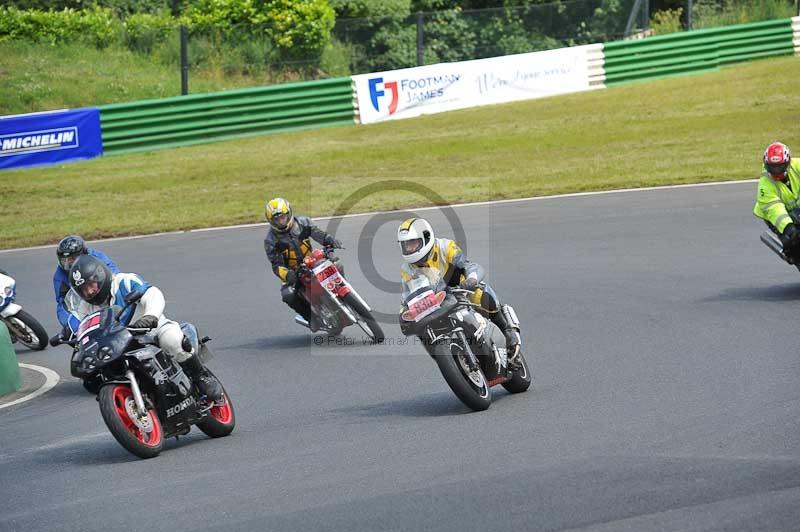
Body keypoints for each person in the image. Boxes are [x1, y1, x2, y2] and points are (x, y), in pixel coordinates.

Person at [66, 255, 222, 401]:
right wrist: (74, 338)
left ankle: (201, 377)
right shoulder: (85, 307)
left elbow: (152, 293)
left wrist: (150, 316)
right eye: (84, 289)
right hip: (120, 344)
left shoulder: (124, 281)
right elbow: (83, 327)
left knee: (172, 339)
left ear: (100, 276)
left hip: (152, 330)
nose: (89, 291)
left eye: (91, 285)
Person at [397, 217, 521, 364]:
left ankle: (507, 331)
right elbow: (409, 297)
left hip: (460, 289)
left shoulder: (446, 247)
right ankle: (445, 360)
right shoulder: (406, 269)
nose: (409, 249)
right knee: (420, 326)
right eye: (405, 245)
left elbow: (469, 265)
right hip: (436, 301)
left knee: (480, 293)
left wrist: (471, 280)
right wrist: (404, 314)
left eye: (413, 243)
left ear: (426, 238)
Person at [263, 198, 342, 331]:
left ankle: (343, 293)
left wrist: (329, 239)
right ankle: (312, 318)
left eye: (283, 217)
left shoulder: (303, 223)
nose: (281, 221)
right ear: (271, 221)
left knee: (337, 264)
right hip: (293, 272)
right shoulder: (271, 240)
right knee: (288, 295)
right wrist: (287, 274)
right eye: (277, 219)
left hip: (312, 261)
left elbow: (317, 233)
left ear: (289, 213)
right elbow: (276, 265)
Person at [53, 235, 119, 331]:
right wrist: (70, 326)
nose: (68, 264)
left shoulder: (96, 257)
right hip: (84, 301)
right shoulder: (59, 276)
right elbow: (62, 303)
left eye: (71, 259)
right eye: (64, 261)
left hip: (103, 293)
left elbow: (113, 272)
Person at [754, 142, 800, 260]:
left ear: (788, 163)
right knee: (794, 244)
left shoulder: (797, 166)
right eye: (772, 167)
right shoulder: (765, 185)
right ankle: (792, 255)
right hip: (774, 216)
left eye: (779, 167)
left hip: (797, 209)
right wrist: (789, 228)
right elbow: (775, 210)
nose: (776, 171)